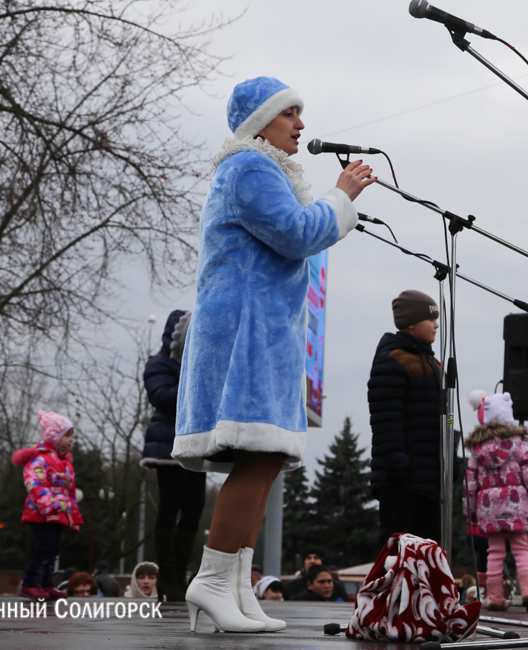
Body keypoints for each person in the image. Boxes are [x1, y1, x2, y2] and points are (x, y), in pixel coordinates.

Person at [173, 76, 373, 634]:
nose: (302, 125)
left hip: (259, 331)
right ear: (260, 120)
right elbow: (293, 233)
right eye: (290, 114)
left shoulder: (260, 170)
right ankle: (211, 583)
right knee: (256, 457)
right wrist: (340, 196)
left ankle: (234, 587)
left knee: (262, 462)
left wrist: (331, 204)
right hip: (247, 335)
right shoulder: (249, 168)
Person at [463, 391, 528, 612]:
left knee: (494, 551)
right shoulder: (519, 446)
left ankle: (495, 597)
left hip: (489, 508)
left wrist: (470, 512)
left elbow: (470, 485)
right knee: (522, 549)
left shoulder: (477, 452)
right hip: (517, 506)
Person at [368, 290, 442, 544]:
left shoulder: (434, 363)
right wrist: (395, 461)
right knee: (397, 551)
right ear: (411, 323)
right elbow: (385, 417)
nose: (436, 325)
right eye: (430, 319)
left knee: (428, 553)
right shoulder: (393, 360)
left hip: (430, 479)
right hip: (402, 479)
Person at [142, 309, 205, 602]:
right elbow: (161, 396)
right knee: (171, 506)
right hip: (168, 445)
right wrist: (196, 383)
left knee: (194, 508)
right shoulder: (159, 363)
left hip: (196, 443)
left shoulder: (199, 363)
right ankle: (167, 577)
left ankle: (180, 573)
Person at [11, 411, 83, 600]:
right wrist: (49, 507)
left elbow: (70, 492)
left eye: (71, 436)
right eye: (67, 435)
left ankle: (46, 584)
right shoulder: (40, 459)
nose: (71, 440)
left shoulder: (65, 463)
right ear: (54, 436)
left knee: (54, 550)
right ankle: (30, 583)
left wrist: (74, 517)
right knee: (45, 548)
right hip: (42, 514)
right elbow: (35, 484)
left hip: (59, 514)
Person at [282, 550, 348, 600]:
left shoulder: (338, 588)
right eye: (309, 558)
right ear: (309, 584)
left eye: (316, 558)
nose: (312, 561)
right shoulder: (290, 587)